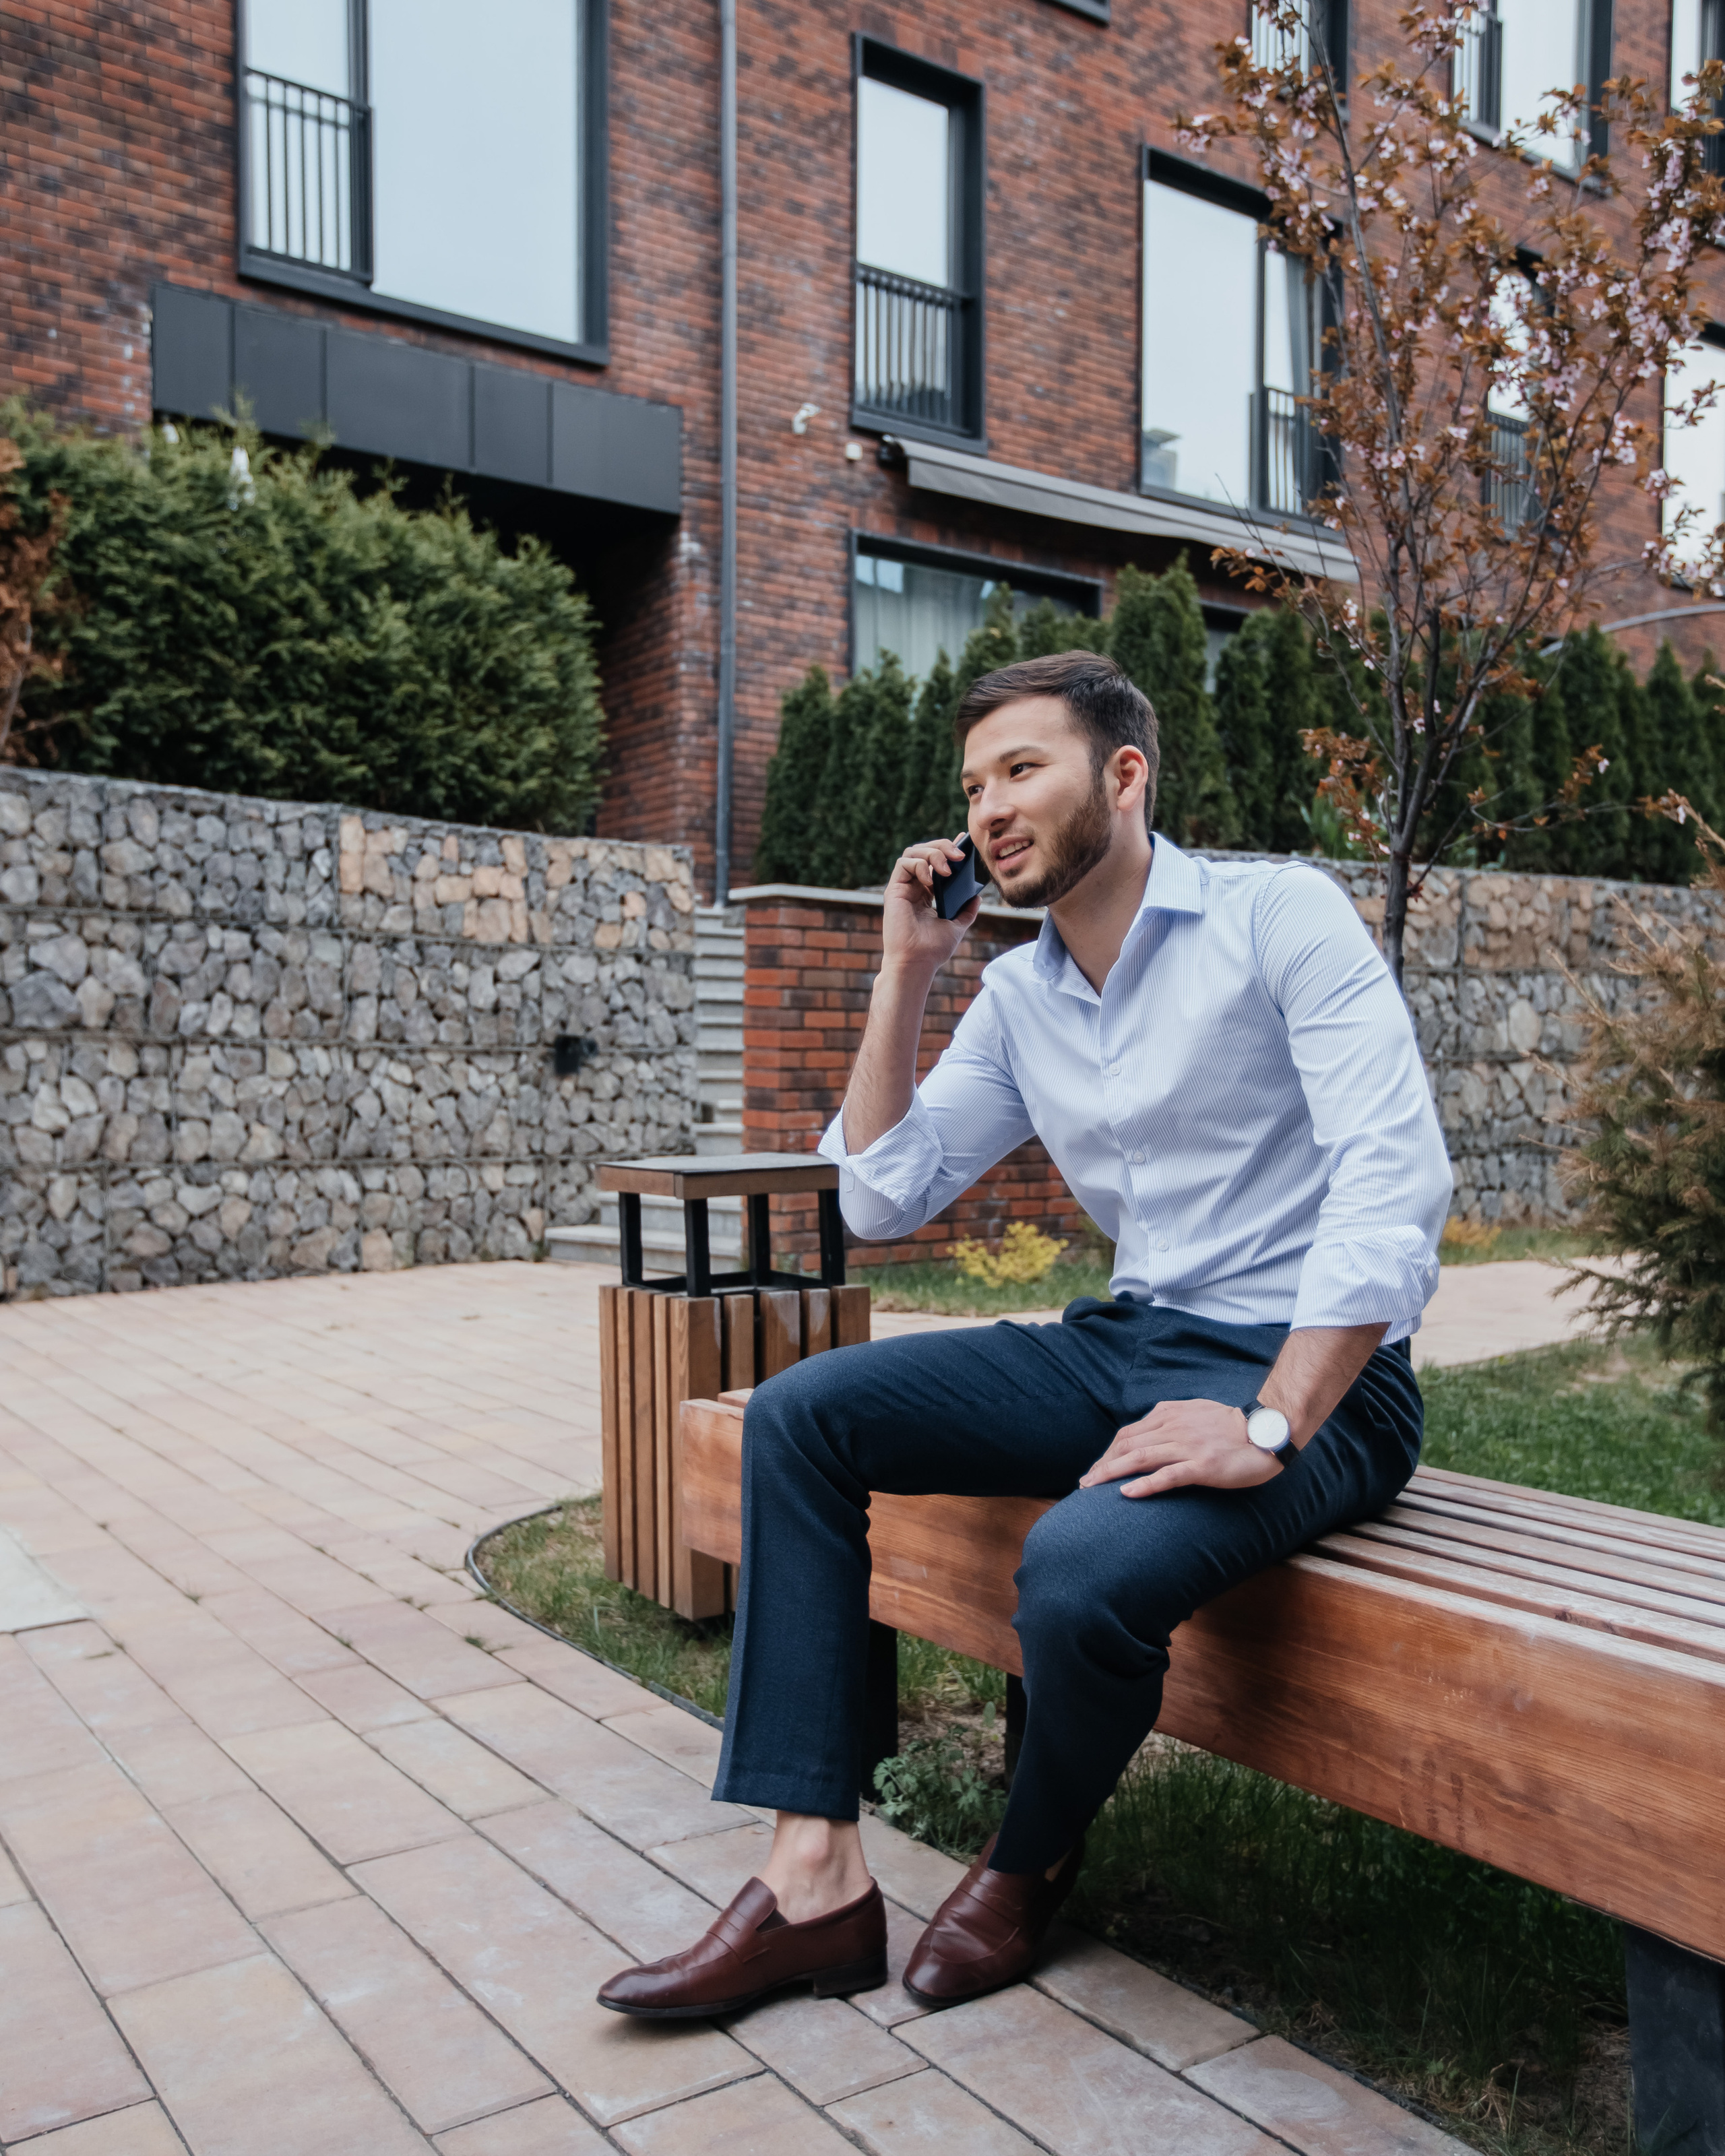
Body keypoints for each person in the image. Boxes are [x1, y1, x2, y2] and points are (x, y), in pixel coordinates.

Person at [597, 648, 1451, 2020]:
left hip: (1319, 1374)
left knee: (1071, 1567)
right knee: (801, 1415)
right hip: (1126, 1340)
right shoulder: (1023, 995)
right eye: (973, 785)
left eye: (1021, 769)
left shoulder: (1272, 916)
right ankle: (812, 1879)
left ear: (1122, 775)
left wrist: (1269, 1422)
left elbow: (1391, 1180)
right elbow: (877, 1196)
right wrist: (903, 973)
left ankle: (1026, 1856)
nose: (987, 809)